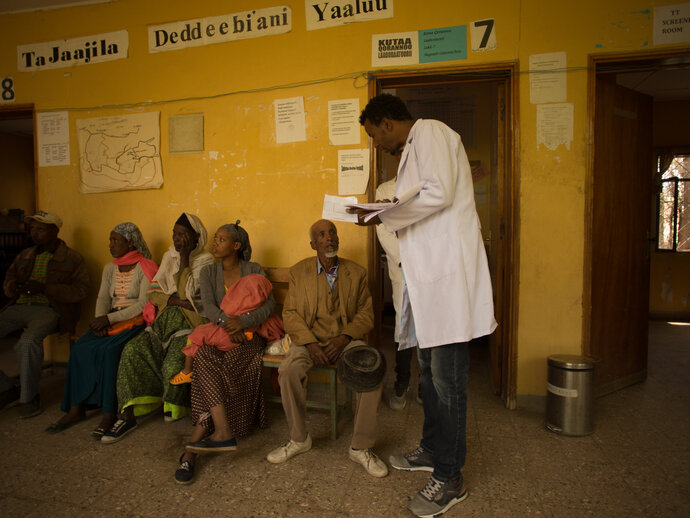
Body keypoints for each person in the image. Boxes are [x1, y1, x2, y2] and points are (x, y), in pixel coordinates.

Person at [352, 94, 497, 517]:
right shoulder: (414, 148)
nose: (376, 144)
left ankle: (450, 477)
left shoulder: (429, 131)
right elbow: (421, 199)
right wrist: (385, 212)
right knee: (431, 376)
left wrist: (383, 214)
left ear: (385, 123)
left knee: (448, 382)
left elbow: (437, 193)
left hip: (448, 281)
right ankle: (433, 450)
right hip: (431, 282)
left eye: (374, 136)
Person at [265, 219, 388, 478]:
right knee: (287, 371)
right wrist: (309, 343)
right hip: (308, 340)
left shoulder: (357, 273)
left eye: (332, 232)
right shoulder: (300, 272)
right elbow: (291, 314)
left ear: (338, 239)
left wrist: (344, 338)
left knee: (371, 373)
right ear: (313, 244)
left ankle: (360, 447)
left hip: (345, 340)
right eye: (321, 235)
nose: (329, 237)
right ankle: (299, 439)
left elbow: (366, 315)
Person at [174, 222, 281, 484]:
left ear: (236, 246)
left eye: (221, 239)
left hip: (249, 337)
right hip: (218, 333)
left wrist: (241, 323)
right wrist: (226, 325)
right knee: (204, 358)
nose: (214, 243)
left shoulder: (253, 270)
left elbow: (269, 304)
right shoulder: (209, 272)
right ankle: (220, 430)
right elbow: (208, 307)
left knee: (210, 370)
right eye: (215, 238)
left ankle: (192, 450)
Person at [102, 213, 214, 443]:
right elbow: (154, 293)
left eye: (183, 234)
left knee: (175, 361)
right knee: (133, 351)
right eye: (175, 233)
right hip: (163, 321)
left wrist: (184, 259)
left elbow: (190, 296)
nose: (177, 239)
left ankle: (173, 407)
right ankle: (129, 413)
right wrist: (171, 300)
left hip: (189, 322)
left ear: (196, 237)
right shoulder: (167, 256)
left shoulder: (206, 260)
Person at [46, 223, 158, 437]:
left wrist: (109, 319)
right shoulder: (110, 268)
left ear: (131, 242)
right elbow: (103, 298)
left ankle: (109, 412)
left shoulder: (146, 266)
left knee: (110, 353)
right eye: (110, 240)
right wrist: (99, 319)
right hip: (108, 320)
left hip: (133, 321)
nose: (111, 245)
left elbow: (144, 302)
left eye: (116, 240)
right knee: (80, 348)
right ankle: (76, 408)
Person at [0, 211, 89, 418]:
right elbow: (8, 280)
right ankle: (7, 388)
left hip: (50, 309)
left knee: (28, 342)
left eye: (40, 229)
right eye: (32, 229)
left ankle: (28, 398)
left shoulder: (72, 258)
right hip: (19, 305)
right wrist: (15, 287)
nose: (35, 233)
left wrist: (45, 288)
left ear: (55, 231)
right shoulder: (25, 255)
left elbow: (81, 291)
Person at [375, 175, 420, 410]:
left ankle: (425, 386)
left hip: (428, 265)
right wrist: (405, 258)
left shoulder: (425, 182)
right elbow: (382, 228)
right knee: (403, 328)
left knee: (428, 328)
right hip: (402, 267)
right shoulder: (385, 188)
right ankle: (402, 383)